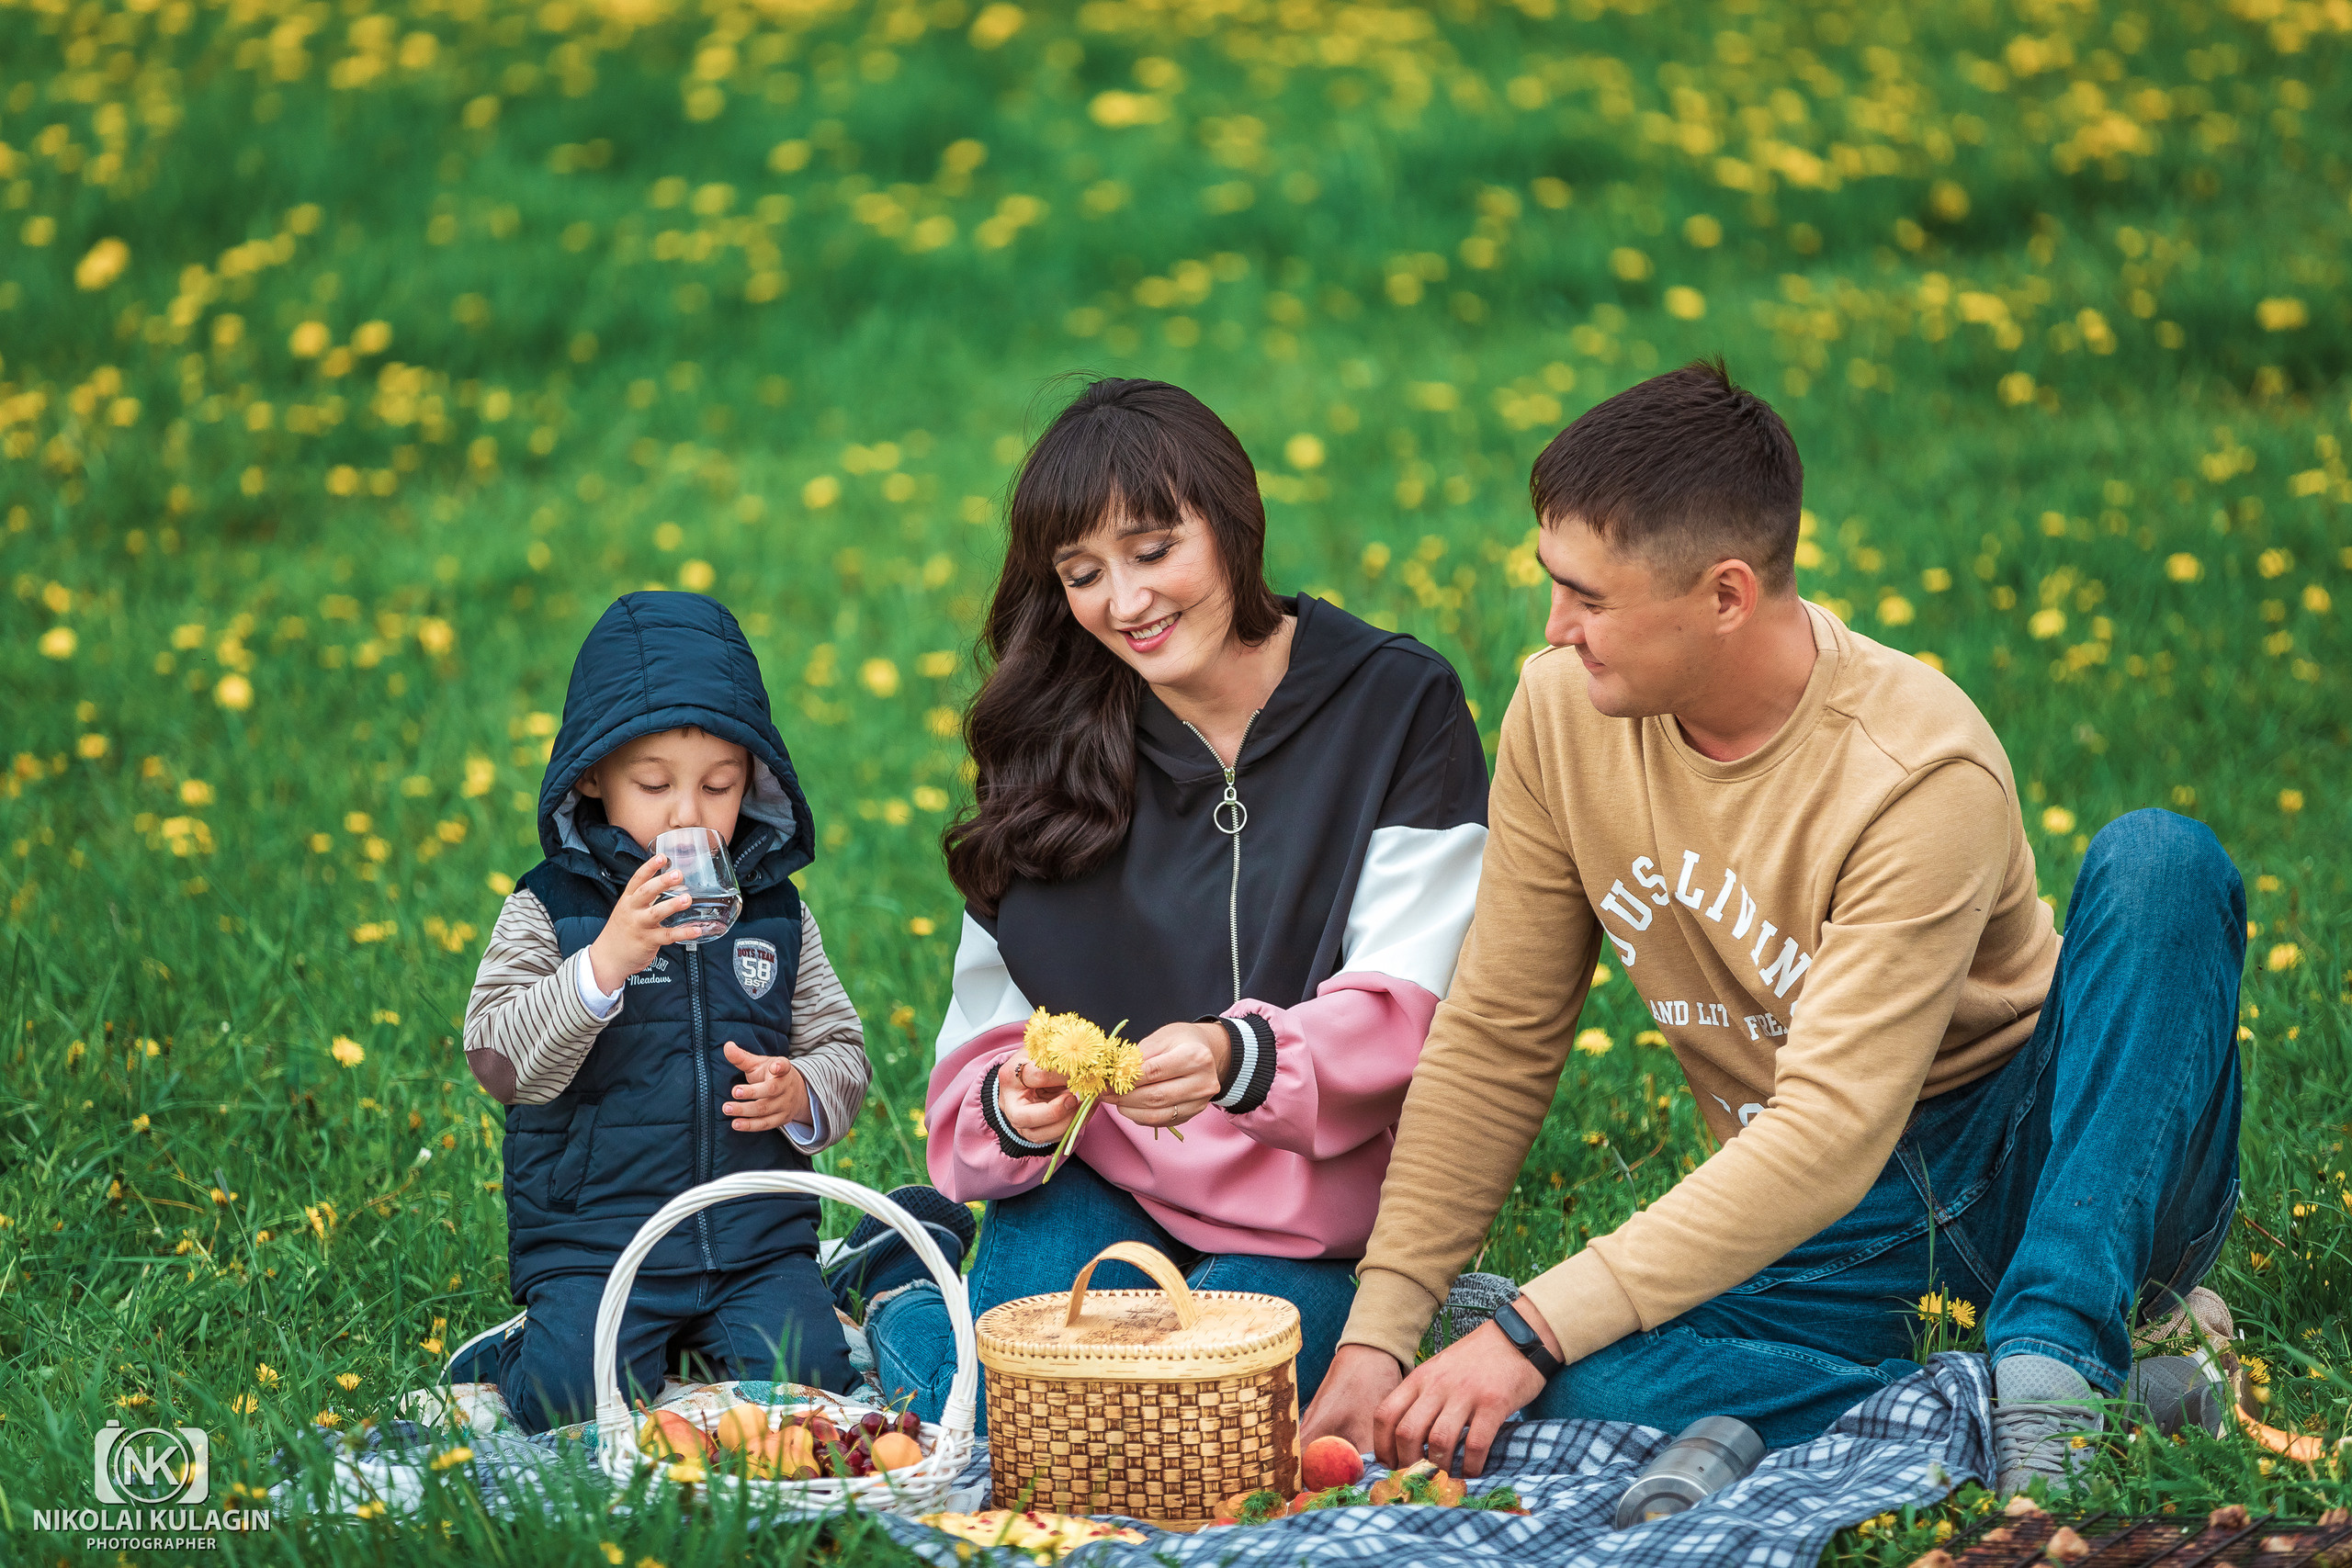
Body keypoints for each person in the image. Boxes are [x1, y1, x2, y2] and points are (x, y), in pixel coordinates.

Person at [1300, 360, 2245, 1497]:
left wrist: (1530, 1326)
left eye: (1589, 599)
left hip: (2066, 1157)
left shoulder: (1915, 769)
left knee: (2160, 862)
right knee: (1581, 1390)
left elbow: (1830, 1127)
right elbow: (1498, 1034)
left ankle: (2053, 1349)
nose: (1556, 629)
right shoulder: (1560, 713)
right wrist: (1382, 1326)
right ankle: (2049, 1395)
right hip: (1841, 1225)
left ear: (1727, 594)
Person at [864, 378, 1490, 1425]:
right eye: (1083, 574)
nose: (1126, 603)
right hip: (1097, 1182)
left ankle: (924, 1297)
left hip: (1308, 1217)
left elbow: (1415, 1014)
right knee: (1034, 1417)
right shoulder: (1051, 737)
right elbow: (979, 1046)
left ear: (1233, 523)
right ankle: (893, 1284)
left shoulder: (1395, 706)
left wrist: (1236, 1061)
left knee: (1206, 1422)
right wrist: (1009, 1111)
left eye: (1154, 552)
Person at [448, 592, 969, 1432]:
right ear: (593, 776)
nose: (687, 814)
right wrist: (601, 965)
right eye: (653, 785)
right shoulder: (553, 908)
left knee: (813, 1390)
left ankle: (829, 1282)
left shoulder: (774, 913)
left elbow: (843, 1047)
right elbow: (498, 1064)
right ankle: (527, 1342)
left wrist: (801, 1091)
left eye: (718, 786)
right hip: (598, 1239)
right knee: (563, 1399)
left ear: (752, 782)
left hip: (752, 1237)